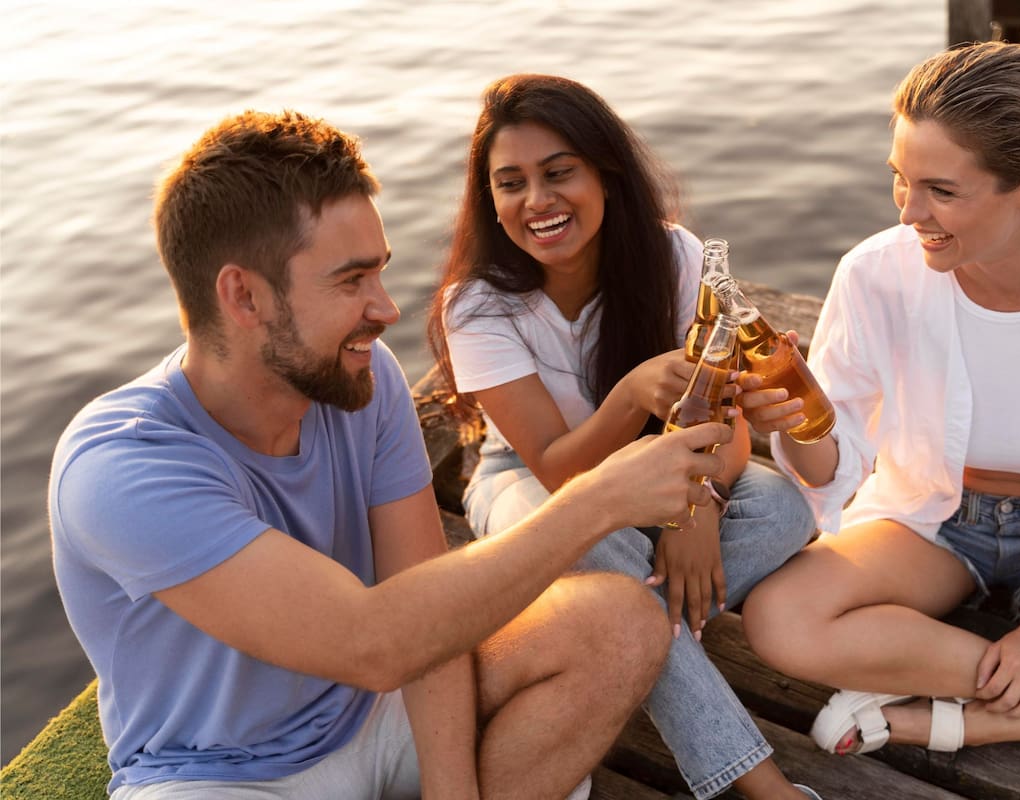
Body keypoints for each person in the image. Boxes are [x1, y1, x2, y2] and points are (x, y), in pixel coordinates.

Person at [48, 108, 739, 800]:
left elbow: (427, 612)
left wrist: (451, 791)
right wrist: (599, 499)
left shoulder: (364, 378)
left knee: (618, 623)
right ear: (245, 296)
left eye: (379, 273)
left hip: (376, 715)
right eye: (352, 281)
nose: (386, 310)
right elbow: (371, 644)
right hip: (219, 774)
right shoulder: (121, 467)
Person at [737, 41, 1020, 800]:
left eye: (941, 190)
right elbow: (837, 469)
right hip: (934, 521)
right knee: (782, 620)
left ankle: (955, 722)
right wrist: (799, 422)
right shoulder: (875, 273)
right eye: (900, 179)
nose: (909, 212)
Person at [427, 74, 821, 800]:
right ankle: (764, 783)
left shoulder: (673, 258)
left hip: (670, 468)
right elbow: (557, 470)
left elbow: (727, 429)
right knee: (590, 543)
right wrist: (631, 394)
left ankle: (631, 637)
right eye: (511, 183)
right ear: (490, 199)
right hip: (530, 481)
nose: (536, 200)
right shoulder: (476, 305)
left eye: (559, 173)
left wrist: (695, 511)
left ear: (605, 173)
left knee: (783, 510)